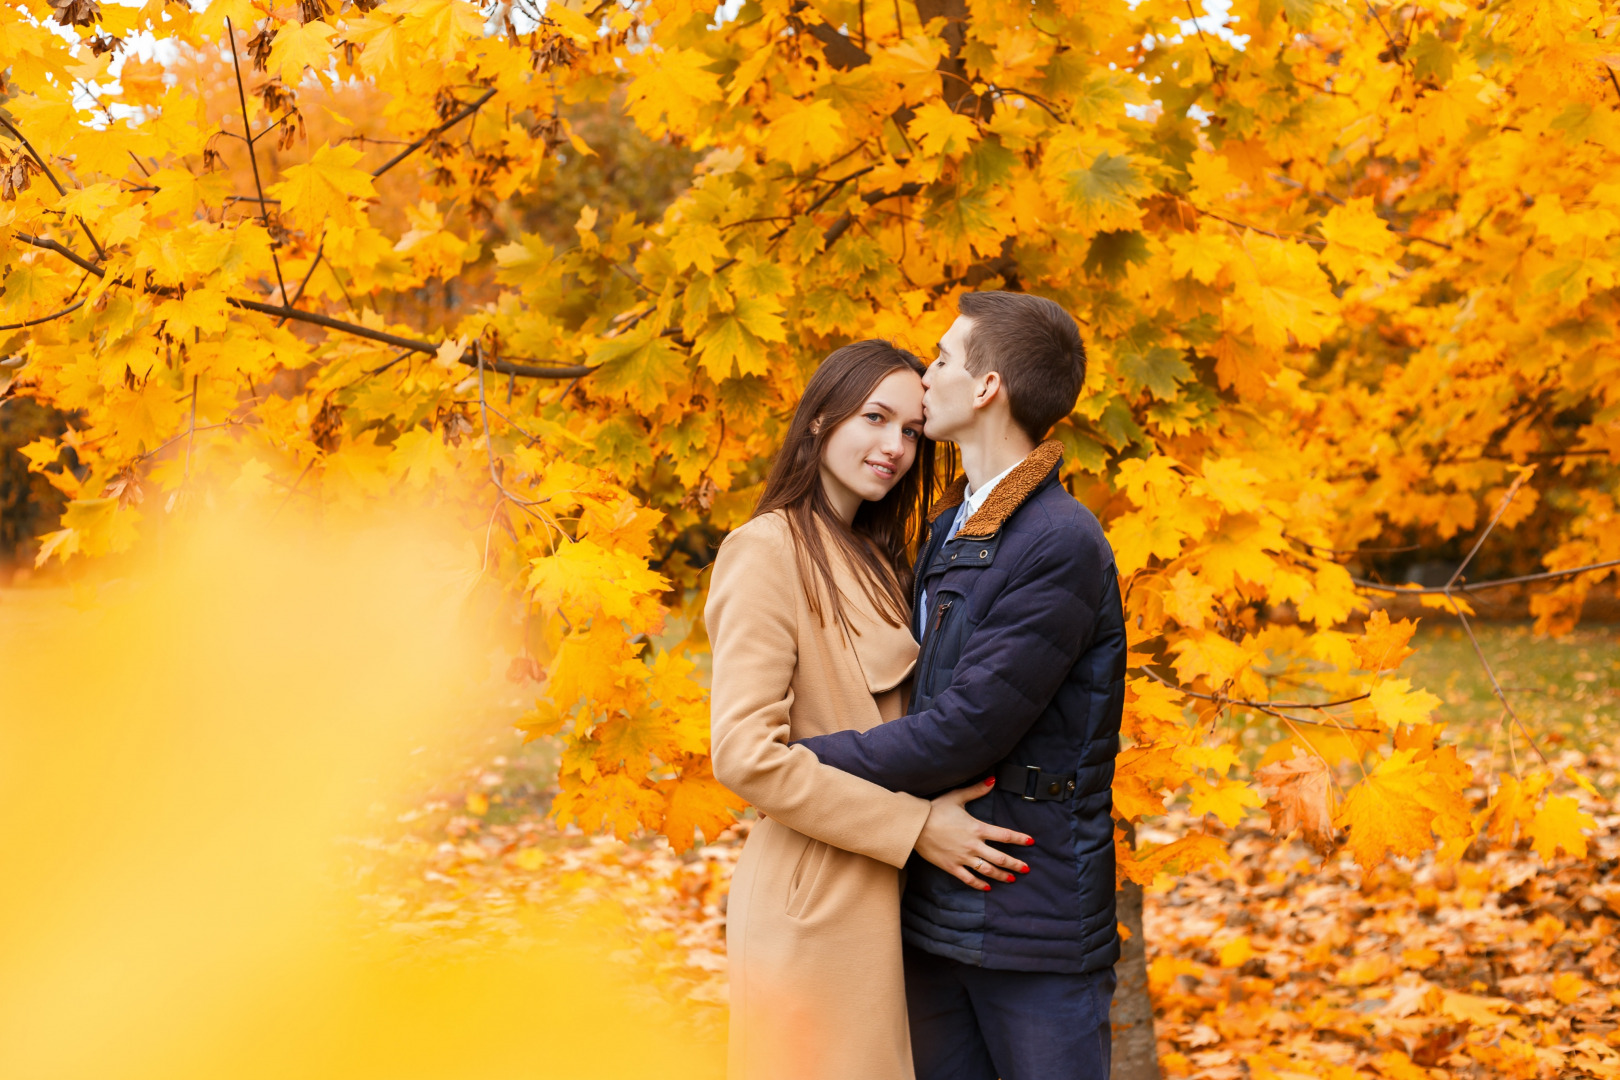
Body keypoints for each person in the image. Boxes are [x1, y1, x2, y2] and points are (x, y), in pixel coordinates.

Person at [794, 292, 1126, 1080]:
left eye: (943, 357)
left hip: (1030, 921)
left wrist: (799, 765)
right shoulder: (953, 528)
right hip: (934, 907)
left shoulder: (1059, 542)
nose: (927, 372)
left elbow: (965, 731)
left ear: (986, 389)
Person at [706, 339, 1038, 1080]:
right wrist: (914, 827)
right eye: (874, 418)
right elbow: (744, 755)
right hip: (813, 899)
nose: (894, 447)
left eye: (912, 431)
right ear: (822, 417)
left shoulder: (880, 560)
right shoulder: (765, 551)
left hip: (892, 900)